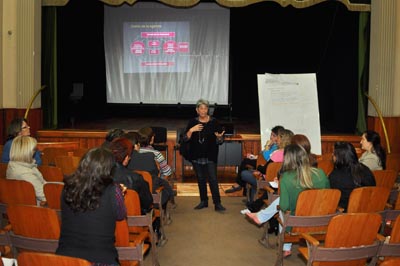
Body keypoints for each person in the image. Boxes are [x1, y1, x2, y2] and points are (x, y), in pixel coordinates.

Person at [246, 144, 330, 257]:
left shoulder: (286, 177)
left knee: (283, 208)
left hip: (296, 225)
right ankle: (284, 246)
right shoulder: (320, 173)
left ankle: (284, 245)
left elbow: (284, 207)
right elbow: (328, 197)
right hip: (321, 223)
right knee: (285, 206)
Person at [56, 147, 127, 265]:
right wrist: (121, 195)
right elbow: (120, 215)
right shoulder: (113, 190)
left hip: (65, 259)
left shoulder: (67, 188)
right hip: (101, 260)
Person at [183, 98, 226, 212]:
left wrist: (219, 137)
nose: (203, 110)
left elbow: (220, 140)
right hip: (196, 156)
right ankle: (203, 201)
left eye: (205, 108)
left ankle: (217, 203)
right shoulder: (192, 122)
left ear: (208, 110)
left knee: (213, 179)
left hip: (210, 155)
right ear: (197, 110)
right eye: (201, 108)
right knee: (201, 179)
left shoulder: (214, 122)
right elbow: (185, 138)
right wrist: (191, 130)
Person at [225, 125, 284, 194]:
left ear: (279, 137)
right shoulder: (273, 145)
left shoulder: (276, 148)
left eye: (274, 136)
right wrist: (255, 156)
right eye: (271, 135)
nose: (271, 137)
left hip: (265, 166)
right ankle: (244, 190)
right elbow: (261, 154)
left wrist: (267, 146)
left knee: (245, 162)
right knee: (246, 161)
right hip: (262, 163)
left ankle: (239, 184)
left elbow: (266, 157)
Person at [241, 128, 293, 203]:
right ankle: (253, 203)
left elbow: (265, 169)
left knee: (245, 174)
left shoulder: (277, 153)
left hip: (268, 179)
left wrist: (259, 167)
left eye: (277, 137)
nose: (276, 139)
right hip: (279, 179)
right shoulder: (292, 154)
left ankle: (252, 203)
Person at [109, 137, 153, 215]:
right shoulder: (136, 178)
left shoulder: (101, 176)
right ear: (126, 158)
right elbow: (148, 203)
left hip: (108, 222)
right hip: (135, 222)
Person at [329, 141, 376, 212]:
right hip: (369, 213)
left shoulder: (335, 176)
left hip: (345, 217)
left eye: (334, 153)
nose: (332, 155)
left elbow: (332, 199)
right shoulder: (366, 170)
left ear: (339, 157)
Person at [6, 135, 47, 206]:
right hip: (37, 209)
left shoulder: (12, 165)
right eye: (34, 149)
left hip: (19, 207)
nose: (35, 152)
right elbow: (44, 196)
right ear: (27, 151)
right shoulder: (26, 174)